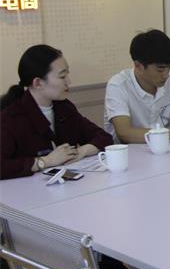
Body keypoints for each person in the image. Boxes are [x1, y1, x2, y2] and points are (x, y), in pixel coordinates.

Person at [0, 45, 112, 180]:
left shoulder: (64, 107)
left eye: (67, 74)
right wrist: (44, 162)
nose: (69, 81)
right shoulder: (11, 117)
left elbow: (104, 137)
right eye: (62, 76)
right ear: (38, 83)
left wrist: (81, 151)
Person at [104, 29, 170, 144]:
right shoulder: (118, 85)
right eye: (160, 69)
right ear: (138, 65)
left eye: (169, 67)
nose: (166, 74)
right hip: (129, 152)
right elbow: (125, 133)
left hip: (162, 149)